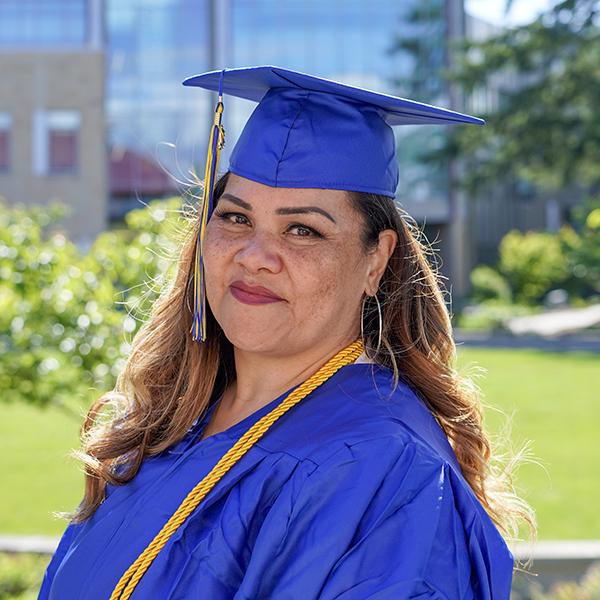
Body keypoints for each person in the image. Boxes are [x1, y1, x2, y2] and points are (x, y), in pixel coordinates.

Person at [39, 66, 534, 600]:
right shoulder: (171, 422)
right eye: (235, 218)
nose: (255, 257)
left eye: (303, 230)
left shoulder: (384, 467)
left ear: (376, 260)